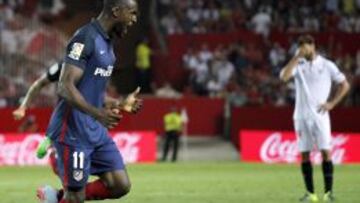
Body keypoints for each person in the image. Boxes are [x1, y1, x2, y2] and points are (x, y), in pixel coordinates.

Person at [37, 0, 140, 203]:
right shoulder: (85, 38)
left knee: (120, 185)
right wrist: (98, 113)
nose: (134, 19)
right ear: (117, 11)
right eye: (132, 13)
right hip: (73, 133)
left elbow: (93, 93)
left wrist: (119, 104)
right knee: (76, 197)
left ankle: (56, 198)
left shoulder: (108, 44)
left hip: (95, 131)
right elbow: (65, 87)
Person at [279, 35, 350, 202]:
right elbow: (283, 77)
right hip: (301, 117)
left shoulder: (327, 65)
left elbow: (345, 84)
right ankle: (310, 194)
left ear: (313, 46)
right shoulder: (298, 64)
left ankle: (328, 193)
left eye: (305, 47)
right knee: (304, 155)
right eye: (300, 47)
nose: (303, 50)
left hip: (321, 116)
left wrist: (332, 103)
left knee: (326, 153)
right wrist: (296, 57)